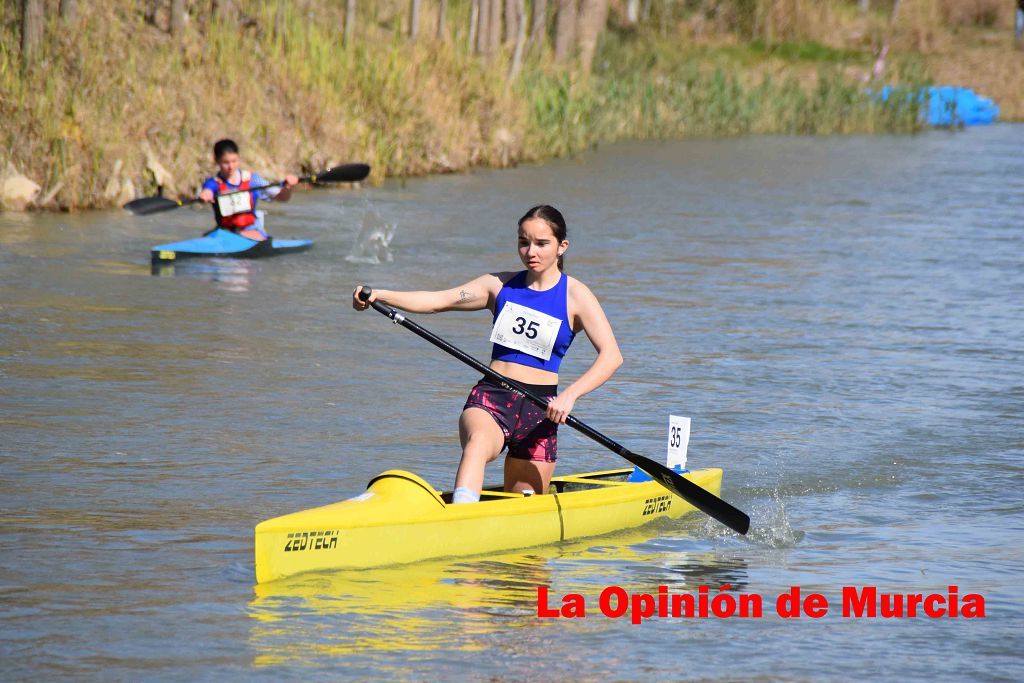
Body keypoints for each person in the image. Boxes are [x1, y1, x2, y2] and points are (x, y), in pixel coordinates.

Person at [352, 205, 623, 503]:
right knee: (478, 442)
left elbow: (611, 356)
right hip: (493, 397)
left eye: (542, 244)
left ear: (562, 246)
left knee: (525, 511)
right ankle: (460, 516)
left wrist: (570, 396)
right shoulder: (499, 285)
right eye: (523, 242)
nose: (530, 251)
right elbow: (438, 300)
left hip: (541, 409)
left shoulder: (577, 296)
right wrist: (382, 294)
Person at [198, 139, 298, 241]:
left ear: (239, 158)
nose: (231, 167)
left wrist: (288, 187)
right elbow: (208, 191)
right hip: (224, 232)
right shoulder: (213, 182)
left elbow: (282, 197)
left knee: (245, 235)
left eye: (234, 161)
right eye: (226, 162)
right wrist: (205, 195)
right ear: (217, 161)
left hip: (251, 230)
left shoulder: (253, 180)